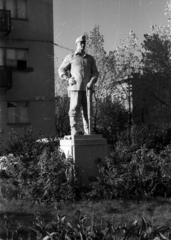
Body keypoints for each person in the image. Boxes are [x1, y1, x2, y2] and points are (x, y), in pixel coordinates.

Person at [58, 35, 99, 135]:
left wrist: (91, 82)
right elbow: (61, 69)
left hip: (87, 89)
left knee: (88, 110)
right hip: (75, 88)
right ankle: (73, 129)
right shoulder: (71, 57)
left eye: (84, 43)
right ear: (76, 44)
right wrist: (67, 79)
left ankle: (88, 130)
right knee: (74, 109)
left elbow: (95, 73)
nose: (83, 45)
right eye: (81, 43)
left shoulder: (90, 59)